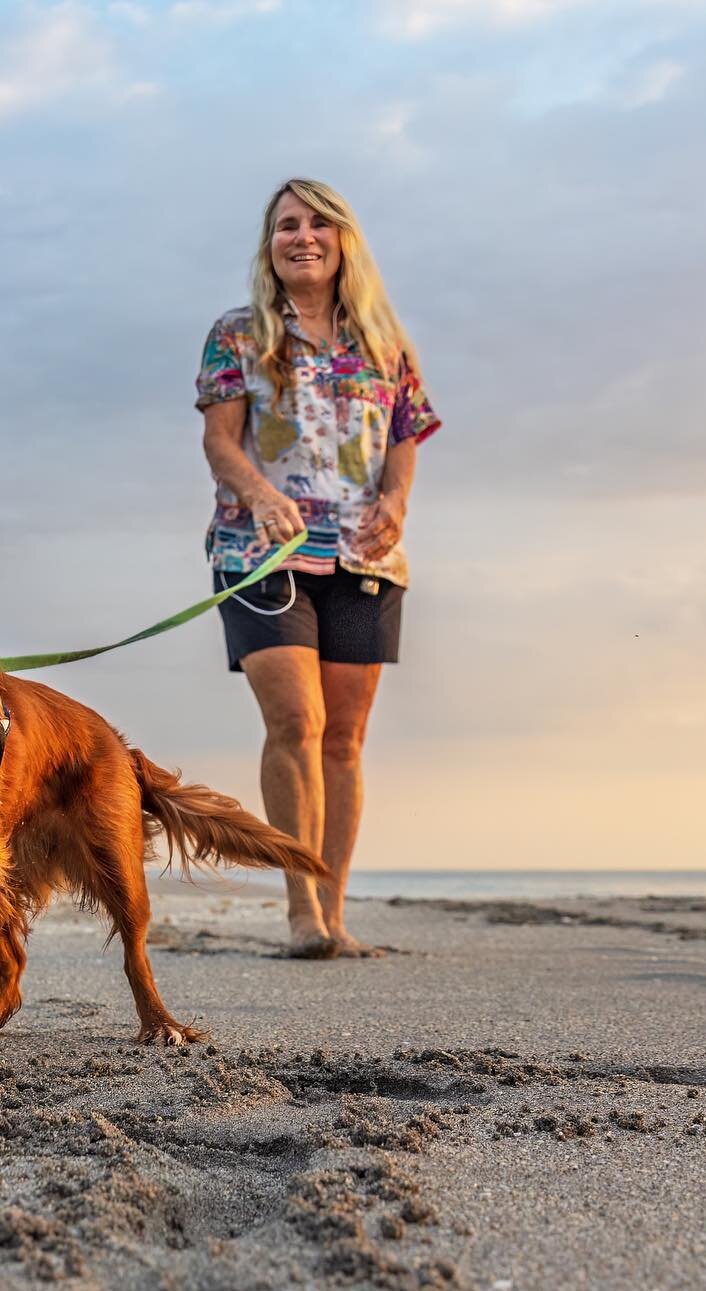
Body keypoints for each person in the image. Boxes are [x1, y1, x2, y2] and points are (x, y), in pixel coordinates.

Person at [195, 177, 441, 959]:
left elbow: (405, 440)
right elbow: (220, 442)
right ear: (270, 246)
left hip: (366, 556)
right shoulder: (237, 335)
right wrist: (262, 496)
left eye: (316, 225)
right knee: (295, 723)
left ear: (343, 241)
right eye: (284, 226)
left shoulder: (386, 342)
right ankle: (301, 907)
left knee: (345, 739)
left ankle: (336, 911)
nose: (300, 236)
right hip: (261, 551)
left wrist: (397, 502)